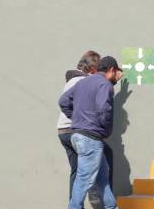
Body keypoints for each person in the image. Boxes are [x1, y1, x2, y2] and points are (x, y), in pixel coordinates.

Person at [60, 55, 122, 209]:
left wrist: (76, 117)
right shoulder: (105, 84)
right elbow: (103, 109)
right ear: (111, 70)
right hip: (91, 138)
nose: (116, 77)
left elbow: (63, 101)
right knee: (84, 179)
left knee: (102, 177)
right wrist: (104, 129)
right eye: (116, 73)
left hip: (77, 135)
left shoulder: (83, 82)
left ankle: (111, 206)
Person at [58, 51, 100, 197]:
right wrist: (77, 118)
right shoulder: (83, 81)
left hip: (62, 130)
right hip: (74, 130)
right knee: (97, 164)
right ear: (93, 69)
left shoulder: (72, 80)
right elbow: (65, 102)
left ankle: (74, 204)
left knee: (76, 171)